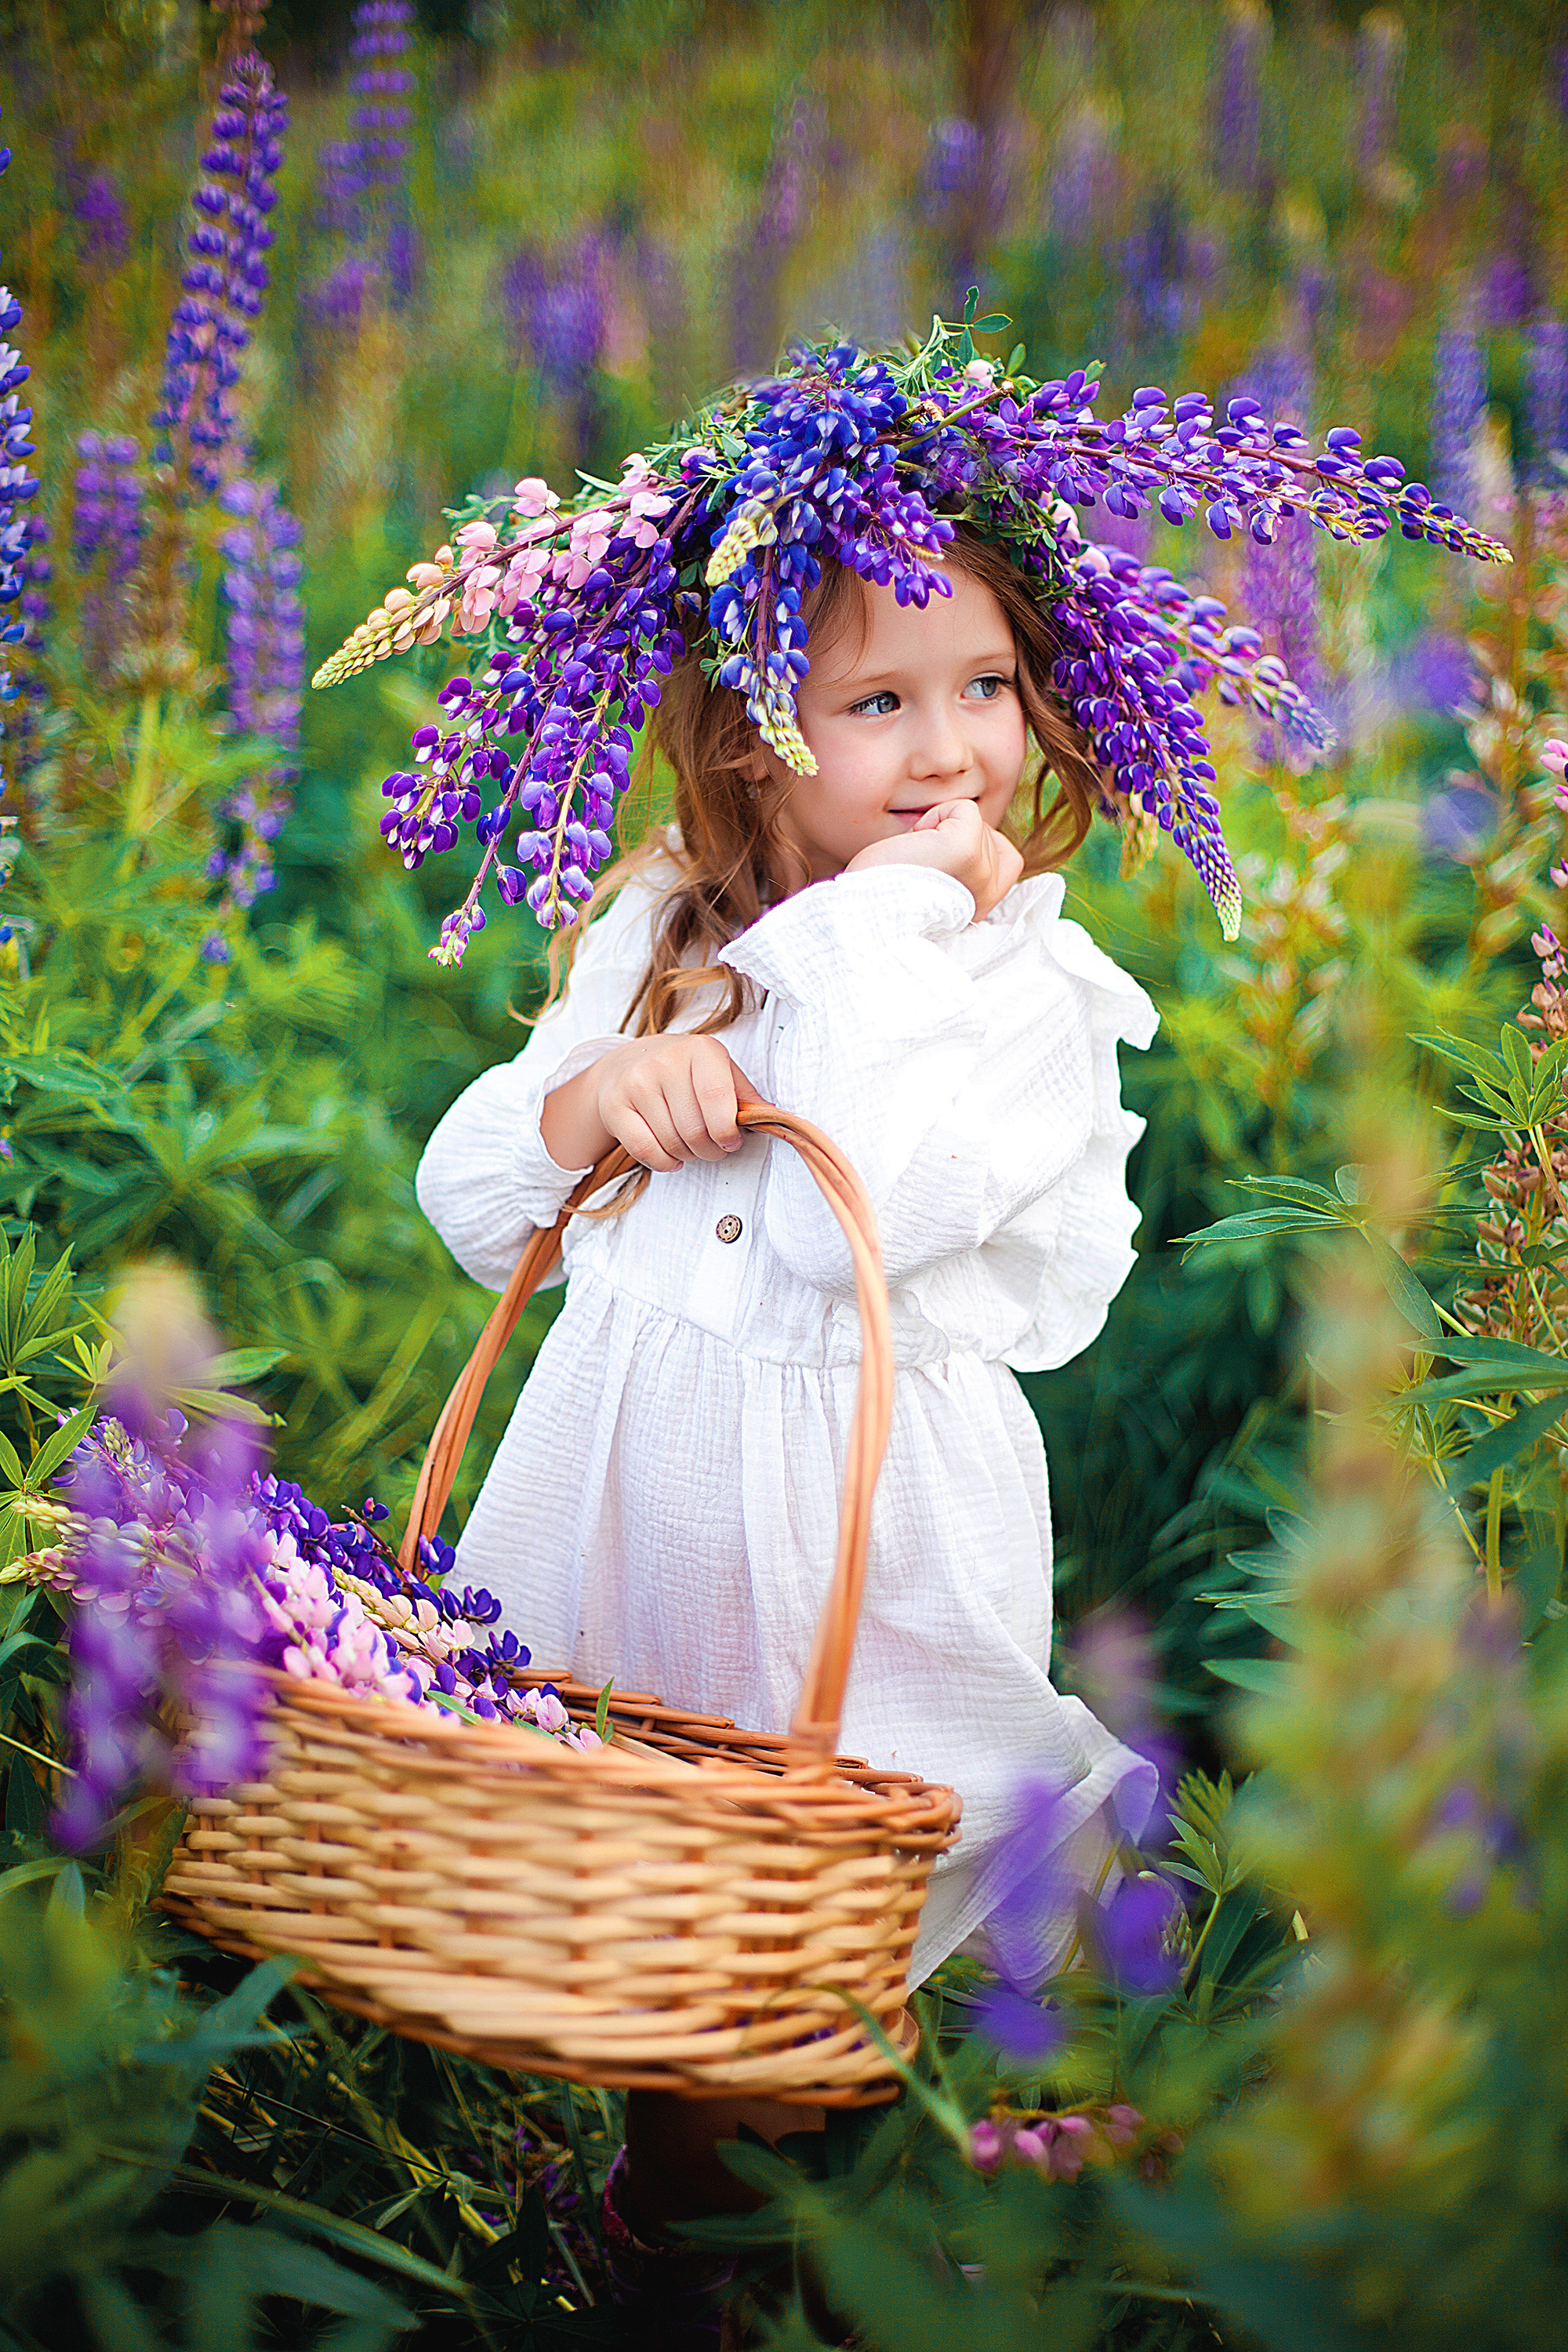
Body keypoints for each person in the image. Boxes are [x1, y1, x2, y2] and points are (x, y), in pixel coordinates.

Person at [416, 521, 1163, 2280]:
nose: (952, 749)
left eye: (986, 686)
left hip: (866, 1547)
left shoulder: (1018, 983)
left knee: (837, 1929)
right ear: (756, 726)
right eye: (877, 702)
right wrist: (605, 1087)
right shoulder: (665, 923)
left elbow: (871, 1219)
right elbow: (469, 1199)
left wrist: (892, 914)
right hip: (637, 1515)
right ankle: (667, 2242)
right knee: (668, 1933)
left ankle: (868, 2233)